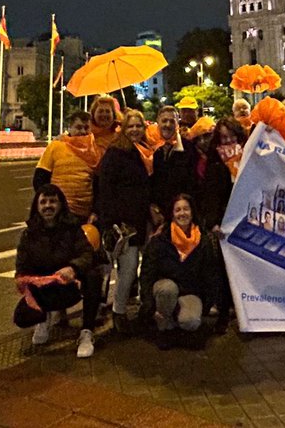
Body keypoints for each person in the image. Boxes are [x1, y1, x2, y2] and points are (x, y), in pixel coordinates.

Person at [14, 184, 100, 359]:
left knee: (93, 275)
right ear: (36, 206)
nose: (48, 206)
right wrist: (26, 282)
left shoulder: (72, 228)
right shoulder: (29, 235)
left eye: (53, 201)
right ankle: (42, 319)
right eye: (43, 202)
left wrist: (73, 268)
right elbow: (21, 267)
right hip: (44, 288)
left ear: (61, 204)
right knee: (22, 317)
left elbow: (86, 253)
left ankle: (86, 332)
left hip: (69, 285)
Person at [93, 109, 155, 334]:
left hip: (142, 219)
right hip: (124, 223)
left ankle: (126, 309)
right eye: (131, 126)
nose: (135, 130)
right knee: (127, 269)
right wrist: (110, 222)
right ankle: (118, 312)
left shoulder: (145, 151)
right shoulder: (115, 153)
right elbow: (106, 189)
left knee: (136, 269)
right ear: (123, 129)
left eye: (139, 126)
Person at [140, 194, 220, 349]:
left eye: (186, 209)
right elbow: (147, 273)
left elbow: (211, 274)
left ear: (192, 212)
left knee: (191, 322)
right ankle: (164, 327)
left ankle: (176, 317)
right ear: (172, 214)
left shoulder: (203, 241)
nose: (182, 213)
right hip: (166, 289)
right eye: (178, 210)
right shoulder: (160, 239)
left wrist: (206, 304)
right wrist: (149, 304)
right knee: (168, 289)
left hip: (190, 292)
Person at [190, 117, 245, 331]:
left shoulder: (249, 157)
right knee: (223, 270)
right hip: (225, 223)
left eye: (232, 135)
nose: (229, 140)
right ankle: (223, 313)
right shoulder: (215, 163)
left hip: (245, 221)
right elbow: (210, 196)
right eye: (223, 137)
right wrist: (213, 222)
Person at [33, 110, 100, 221]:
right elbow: (40, 179)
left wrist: (95, 211)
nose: (83, 131)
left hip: (85, 214)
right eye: (78, 127)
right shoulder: (56, 147)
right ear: (70, 128)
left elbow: (98, 185)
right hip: (59, 213)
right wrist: (49, 203)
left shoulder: (95, 150)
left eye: (86, 128)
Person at [151, 105, 194, 215]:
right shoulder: (148, 147)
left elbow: (191, 182)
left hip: (180, 211)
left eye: (172, 121)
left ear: (177, 123)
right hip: (154, 212)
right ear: (158, 121)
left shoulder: (188, 148)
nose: (168, 125)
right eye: (164, 121)